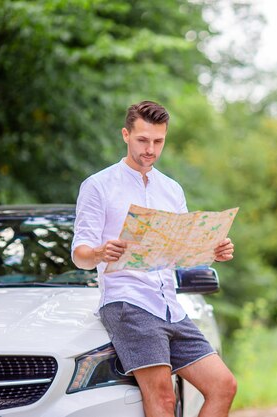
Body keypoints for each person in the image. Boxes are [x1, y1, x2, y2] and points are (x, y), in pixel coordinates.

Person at [71, 100, 237, 417]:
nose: (150, 149)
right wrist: (99, 252)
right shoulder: (98, 186)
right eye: (142, 140)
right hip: (128, 303)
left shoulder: (172, 189)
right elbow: (80, 255)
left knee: (223, 385)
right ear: (125, 135)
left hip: (171, 308)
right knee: (162, 397)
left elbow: (183, 252)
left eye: (158, 141)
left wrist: (212, 252)